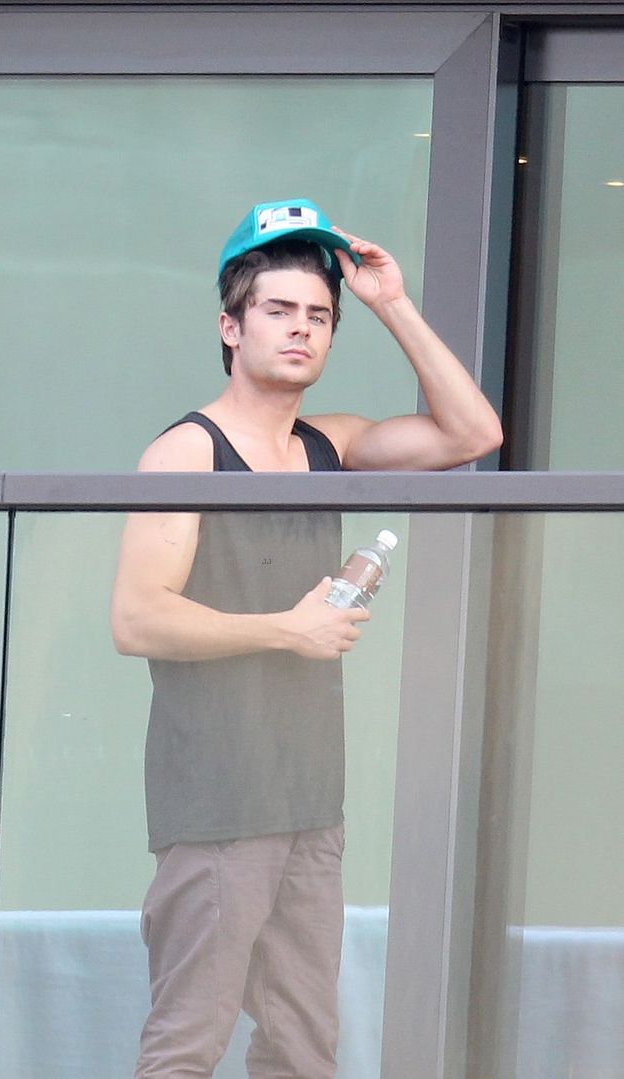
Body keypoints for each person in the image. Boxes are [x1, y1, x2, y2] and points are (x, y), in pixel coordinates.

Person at [111, 198, 503, 1079]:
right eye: (279, 310)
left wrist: (390, 303)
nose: (301, 328)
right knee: (186, 1046)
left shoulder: (328, 443)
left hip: (310, 802)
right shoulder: (189, 451)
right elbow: (136, 616)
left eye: (319, 316)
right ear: (231, 326)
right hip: (218, 800)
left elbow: (472, 433)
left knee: (302, 1051)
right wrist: (288, 629)